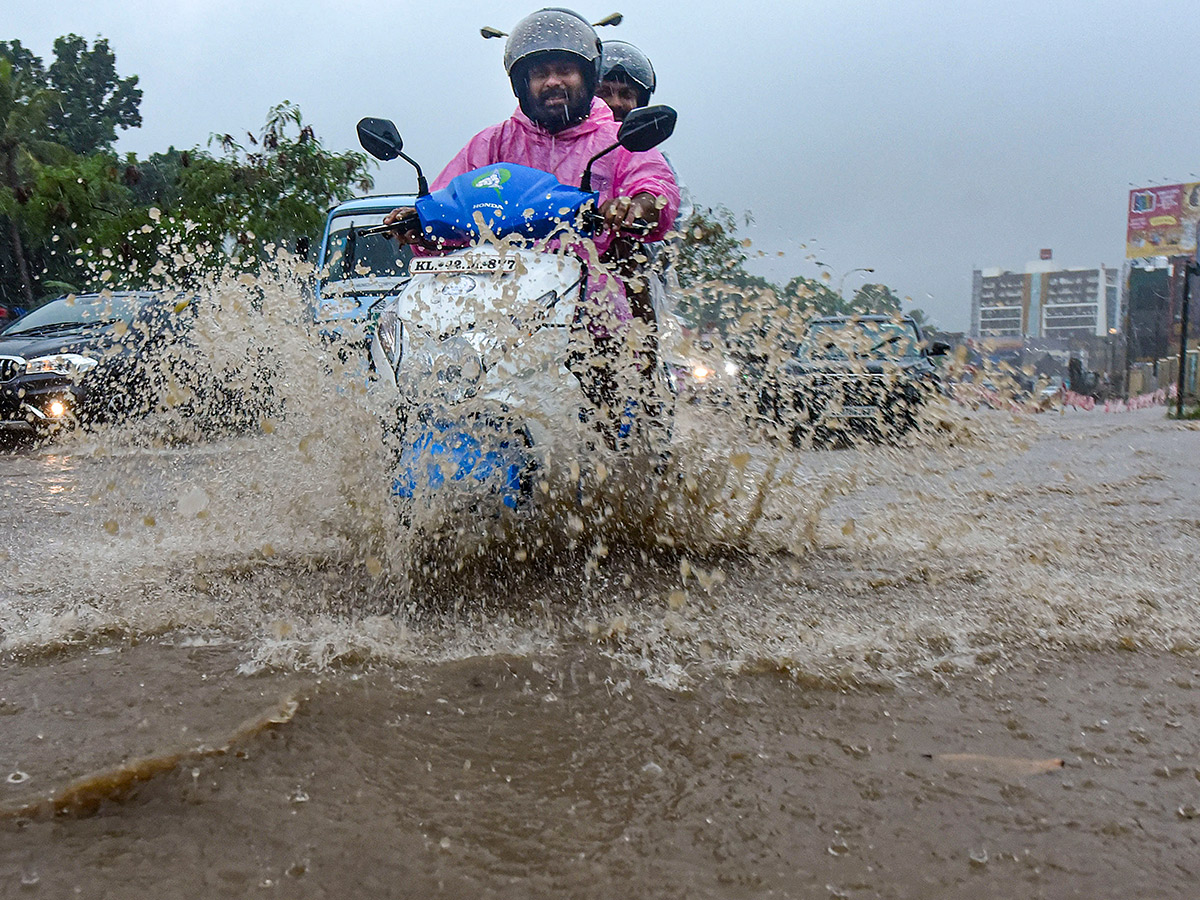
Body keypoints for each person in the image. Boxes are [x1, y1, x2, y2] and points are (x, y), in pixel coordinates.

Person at [384, 8, 680, 439]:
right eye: (541, 73)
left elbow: (653, 186)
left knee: (615, 418)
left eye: (564, 70)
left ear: (586, 74)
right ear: (522, 84)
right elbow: (448, 201)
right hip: (492, 313)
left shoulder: (617, 140)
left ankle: (622, 472)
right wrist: (418, 222)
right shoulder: (492, 142)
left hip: (588, 313)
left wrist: (639, 205)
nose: (553, 81)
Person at [596, 39, 656, 122]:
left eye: (626, 95)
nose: (615, 103)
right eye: (604, 93)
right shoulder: (571, 133)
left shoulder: (648, 135)